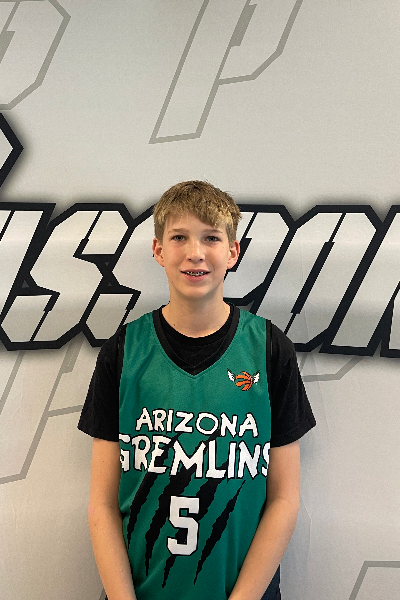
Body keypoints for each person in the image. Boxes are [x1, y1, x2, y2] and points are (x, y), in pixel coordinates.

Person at [78, 180, 316, 600]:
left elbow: (284, 499)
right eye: (179, 237)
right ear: (158, 250)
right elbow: (102, 504)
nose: (195, 252)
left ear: (232, 252)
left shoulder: (268, 348)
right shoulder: (125, 350)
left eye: (211, 238)